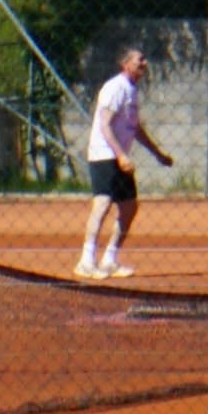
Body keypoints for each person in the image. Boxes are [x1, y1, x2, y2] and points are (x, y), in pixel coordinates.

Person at [78, 46, 173, 279]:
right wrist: (120, 154)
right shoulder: (115, 88)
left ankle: (110, 258)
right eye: (140, 60)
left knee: (129, 207)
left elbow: (136, 129)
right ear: (126, 64)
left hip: (120, 157)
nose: (145, 64)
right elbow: (104, 124)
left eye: (144, 59)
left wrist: (158, 153)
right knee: (102, 204)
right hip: (104, 155)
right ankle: (86, 261)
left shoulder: (131, 90)